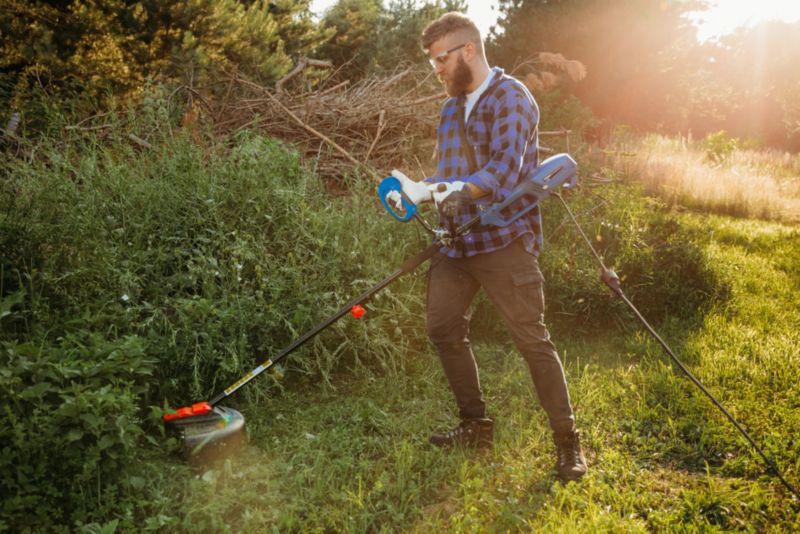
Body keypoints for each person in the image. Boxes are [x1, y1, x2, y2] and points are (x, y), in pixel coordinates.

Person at [386, 12, 587, 482]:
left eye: (440, 59)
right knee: (442, 328)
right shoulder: (450, 108)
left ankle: (568, 442)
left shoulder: (512, 97)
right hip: (456, 245)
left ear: (467, 50)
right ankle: (475, 425)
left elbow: (504, 171)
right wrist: (419, 190)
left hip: (503, 241)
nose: (436, 69)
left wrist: (450, 192)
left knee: (531, 341)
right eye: (432, 61)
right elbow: (447, 174)